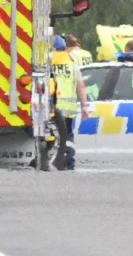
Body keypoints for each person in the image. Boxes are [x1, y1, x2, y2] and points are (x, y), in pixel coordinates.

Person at [51, 35, 88, 170]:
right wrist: (85, 106)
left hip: (52, 108)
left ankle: (54, 160)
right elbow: (81, 87)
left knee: (52, 135)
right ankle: (69, 162)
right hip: (68, 108)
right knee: (68, 136)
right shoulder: (72, 64)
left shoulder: (48, 63)